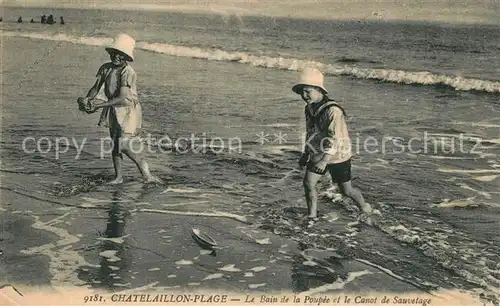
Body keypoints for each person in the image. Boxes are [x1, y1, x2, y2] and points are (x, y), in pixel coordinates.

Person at [293, 67, 380, 224]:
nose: (304, 96)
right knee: (308, 183)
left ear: (319, 89)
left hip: (338, 154)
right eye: (301, 92)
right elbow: (310, 133)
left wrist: (324, 161)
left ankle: (364, 206)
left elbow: (335, 138)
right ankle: (312, 216)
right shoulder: (309, 108)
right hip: (318, 151)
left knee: (346, 190)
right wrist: (305, 154)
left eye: (307, 91)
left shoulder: (333, 111)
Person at [78, 34, 159, 184]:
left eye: (120, 55)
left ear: (126, 57)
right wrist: (88, 99)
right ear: (110, 53)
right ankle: (118, 177)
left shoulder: (128, 72)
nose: (116, 57)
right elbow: (96, 88)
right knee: (115, 144)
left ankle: (145, 171)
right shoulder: (105, 68)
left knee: (123, 145)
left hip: (128, 110)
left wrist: (99, 105)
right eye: (114, 53)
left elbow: (122, 97)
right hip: (113, 108)